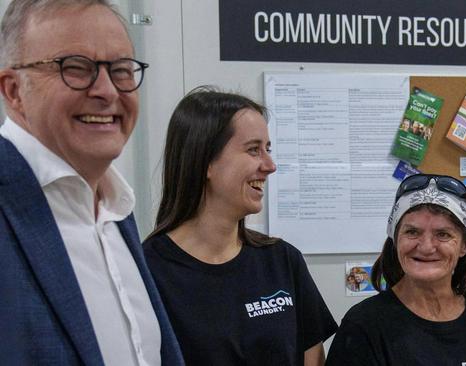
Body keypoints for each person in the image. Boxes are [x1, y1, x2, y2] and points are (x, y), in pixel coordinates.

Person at [0, 1, 183, 365]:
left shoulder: (116, 209)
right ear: (14, 90)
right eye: (76, 68)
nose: (107, 90)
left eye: (121, 70)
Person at [143, 87, 338, 366]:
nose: (270, 166)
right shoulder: (149, 273)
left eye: (267, 149)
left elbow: (312, 359)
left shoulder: (282, 261)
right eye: (253, 150)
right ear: (206, 161)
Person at [326, 174, 466, 366]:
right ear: (395, 239)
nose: (425, 247)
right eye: (412, 232)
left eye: (442, 234)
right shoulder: (364, 325)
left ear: (465, 245)